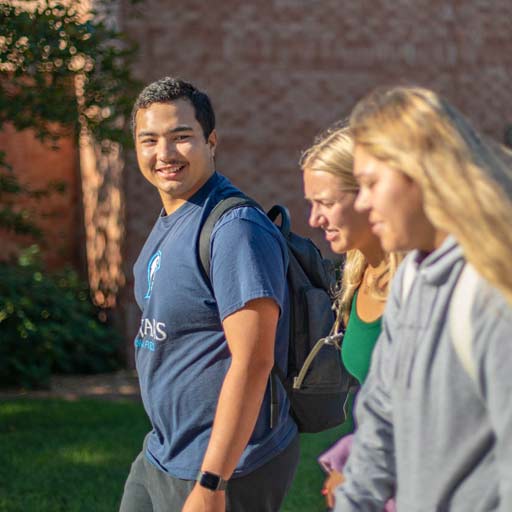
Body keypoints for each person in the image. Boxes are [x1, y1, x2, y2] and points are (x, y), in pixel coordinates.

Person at [119, 77, 299, 512]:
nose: (164, 154)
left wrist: (212, 481)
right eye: (150, 140)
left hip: (227, 466)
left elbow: (254, 359)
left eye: (181, 137)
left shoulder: (235, 229)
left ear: (211, 141)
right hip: (163, 452)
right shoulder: (172, 219)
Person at [333, 86, 512, 511]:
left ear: (422, 174)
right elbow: (380, 415)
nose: (362, 202)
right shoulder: (411, 275)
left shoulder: (492, 294)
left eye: (370, 183)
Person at [300, 125, 402, 510]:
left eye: (325, 202)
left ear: (368, 195)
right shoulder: (359, 275)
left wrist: (352, 460)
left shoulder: (419, 283)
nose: (313, 219)